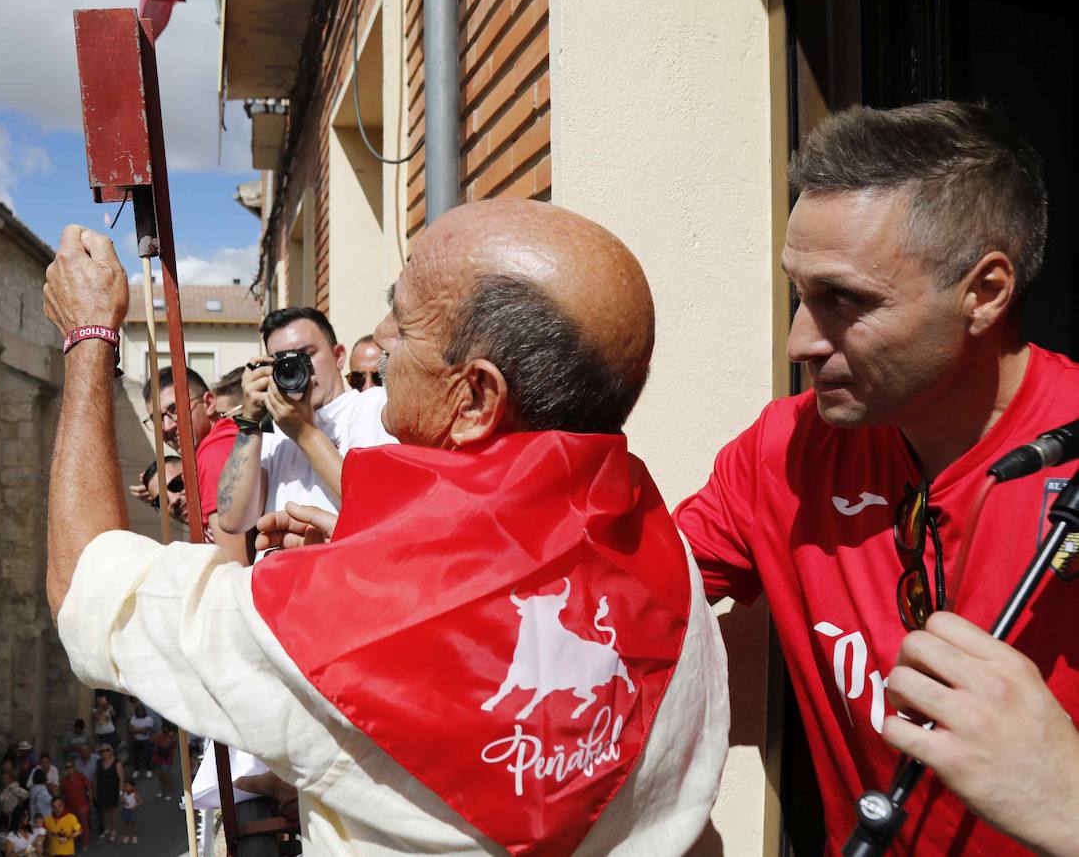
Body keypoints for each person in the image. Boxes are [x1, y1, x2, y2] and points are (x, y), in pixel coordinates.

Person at [43, 202, 728, 854]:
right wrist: (358, 546)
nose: (382, 343)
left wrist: (89, 336)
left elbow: (83, 586)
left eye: (404, 323)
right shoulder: (673, 567)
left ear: (476, 398)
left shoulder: (341, 617)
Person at [675, 101, 1079, 855]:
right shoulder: (783, 451)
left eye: (844, 301)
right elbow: (609, 602)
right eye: (800, 293)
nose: (799, 341)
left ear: (985, 293)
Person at [214, 307, 395, 542]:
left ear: (339, 356)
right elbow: (232, 521)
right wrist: (250, 420)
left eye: (305, 355)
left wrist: (303, 433)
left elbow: (376, 510)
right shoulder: (274, 429)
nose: (294, 367)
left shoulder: (372, 406)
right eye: (281, 361)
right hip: (275, 575)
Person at [140, 366, 245, 560]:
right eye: (157, 420)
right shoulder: (228, 439)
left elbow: (235, 568)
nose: (167, 426)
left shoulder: (213, 454)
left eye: (175, 409)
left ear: (209, 403)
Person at [94, 743, 125, 842]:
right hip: (102, 791)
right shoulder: (99, 762)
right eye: (102, 751)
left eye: (106, 750)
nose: (104, 752)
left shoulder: (117, 763)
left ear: (111, 751)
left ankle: (113, 830)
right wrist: (95, 790)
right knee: (105, 811)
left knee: (113, 811)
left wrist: (121, 793)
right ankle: (107, 828)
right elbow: (95, 777)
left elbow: (121, 779)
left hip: (113, 791)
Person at [59, 761, 93, 851]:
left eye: (71, 767)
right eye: (67, 768)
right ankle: (72, 843)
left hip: (82, 805)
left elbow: (88, 788)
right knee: (71, 826)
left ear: (74, 768)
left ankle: (85, 843)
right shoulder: (64, 781)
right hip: (69, 807)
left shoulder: (81, 776)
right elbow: (62, 794)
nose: (69, 769)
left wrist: (90, 800)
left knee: (84, 824)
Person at [126, 703, 154, 779]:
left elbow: (146, 731)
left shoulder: (149, 719)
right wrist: (141, 730)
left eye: (141, 710)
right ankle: (136, 770)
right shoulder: (133, 718)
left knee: (147, 756)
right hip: (136, 740)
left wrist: (136, 729)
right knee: (135, 756)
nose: (139, 711)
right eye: (138, 710)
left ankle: (149, 769)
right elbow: (130, 730)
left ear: (144, 711)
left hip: (146, 740)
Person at [120, 780, 140, 845]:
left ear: (132, 787)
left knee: (133, 823)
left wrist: (135, 806)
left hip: (132, 810)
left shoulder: (134, 794)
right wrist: (123, 801)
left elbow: (140, 801)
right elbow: (122, 802)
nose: (126, 787)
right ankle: (127, 835)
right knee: (126, 823)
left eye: (128, 786)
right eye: (125, 785)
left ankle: (134, 836)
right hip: (125, 810)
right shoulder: (124, 793)